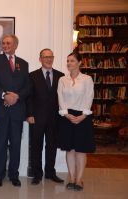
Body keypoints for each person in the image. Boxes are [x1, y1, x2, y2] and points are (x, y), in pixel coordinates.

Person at [0, 34, 30, 187]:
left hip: (17, 111)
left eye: (8, 43)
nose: (4, 45)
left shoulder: (24, 64)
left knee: (16, 145)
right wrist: (5, 95)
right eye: (3, 43)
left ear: (15, 45)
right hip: (1, 110)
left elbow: (28, 86)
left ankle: (14, 175)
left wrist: (17, 96)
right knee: (0, 144)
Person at [57, 52, 95, 191]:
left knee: (81, 150)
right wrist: (66, 114)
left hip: (82, 116)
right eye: (68, 61)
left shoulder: (87, 79)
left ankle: (79, 180)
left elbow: (89, 97)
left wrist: (83, 115)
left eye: (72, 61)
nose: (69, 63)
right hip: (67, 116)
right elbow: (60, 98)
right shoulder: (62, 80)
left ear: (79, 63)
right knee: (70, 149)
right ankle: (72, 178)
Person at [26, 49, 64, 185]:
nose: (48, 59)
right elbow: (29, 98)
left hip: (55, 118)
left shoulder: (61, 76)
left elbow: (62, 98)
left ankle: (50, 172)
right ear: (40, 59)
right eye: (45, 57)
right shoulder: (32, 76)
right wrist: (29, 114)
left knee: (52, 146)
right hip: (36, 118)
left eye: (51, 57)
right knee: (36, 146)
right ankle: (37, 174)